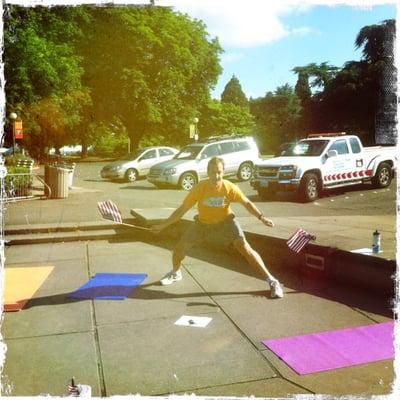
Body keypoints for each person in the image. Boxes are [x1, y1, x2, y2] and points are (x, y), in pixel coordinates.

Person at [151, 156, 284, 298]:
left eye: (219, 172)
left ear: (223, 172)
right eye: (213, 172)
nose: (216, 176)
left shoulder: (229, 187)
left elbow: (246, 203)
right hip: (203, 223)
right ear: (208, 172)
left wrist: (261, 217)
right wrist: (163, 225)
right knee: (179, 248)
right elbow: (182, 209)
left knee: (245, 248)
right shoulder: (199, 188)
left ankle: (272, 280)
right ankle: (176, 272)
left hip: (226, 221)